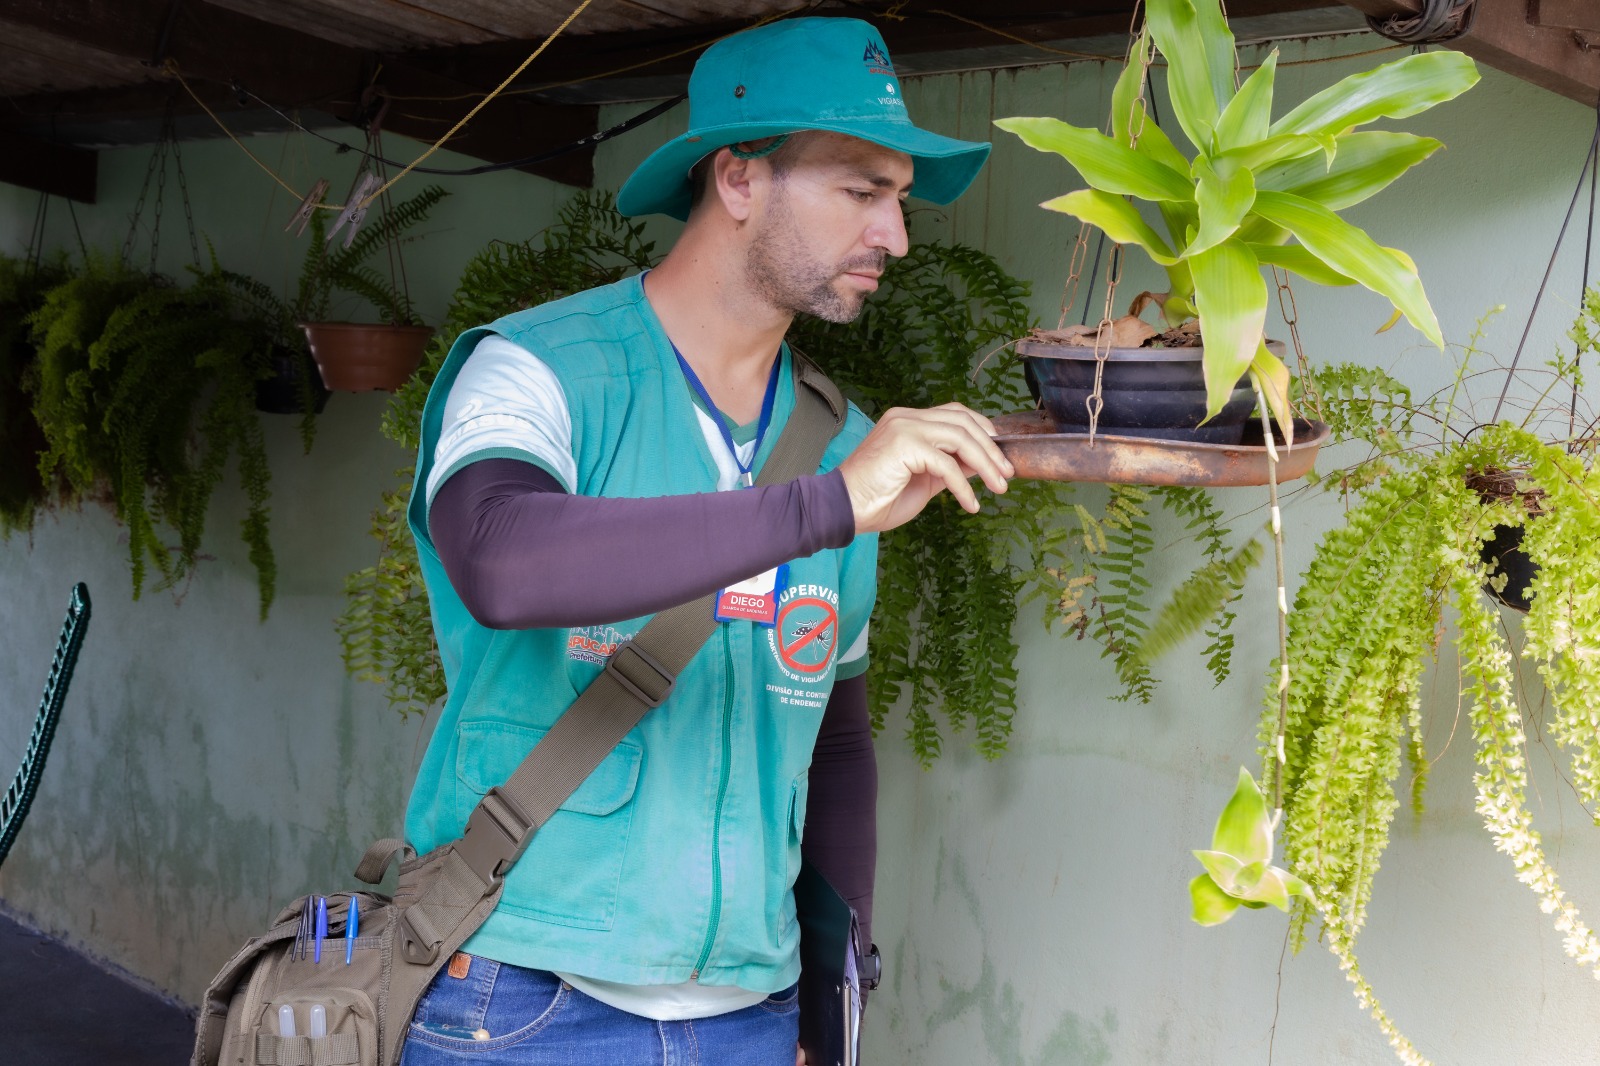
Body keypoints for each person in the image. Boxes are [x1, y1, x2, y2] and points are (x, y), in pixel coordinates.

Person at [397, 16, 1009, 1065]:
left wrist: (830, 999)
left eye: (899, 198)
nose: (896, 237)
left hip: (751, 1017)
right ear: (736, 179)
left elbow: (838, 740)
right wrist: (822, 506)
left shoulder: (849, 448)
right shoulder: (539, 371)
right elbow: (498, 556)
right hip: (520, 1003)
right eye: (862, 191)